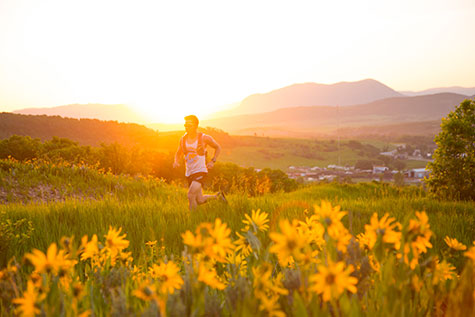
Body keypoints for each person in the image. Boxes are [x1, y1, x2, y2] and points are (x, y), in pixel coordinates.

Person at [173, 115, 226, 210]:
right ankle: (218, 197)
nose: (186, 127)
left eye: (189, 125)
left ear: (196, 125)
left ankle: (193, 221)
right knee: (200, 200)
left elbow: (218, 147)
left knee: (190, 195)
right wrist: (176, 161)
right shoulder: (183, 139)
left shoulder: (204, 138)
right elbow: (178, 153)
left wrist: (212, 161)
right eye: (185, 124)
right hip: (189, 173)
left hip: (200, 171)